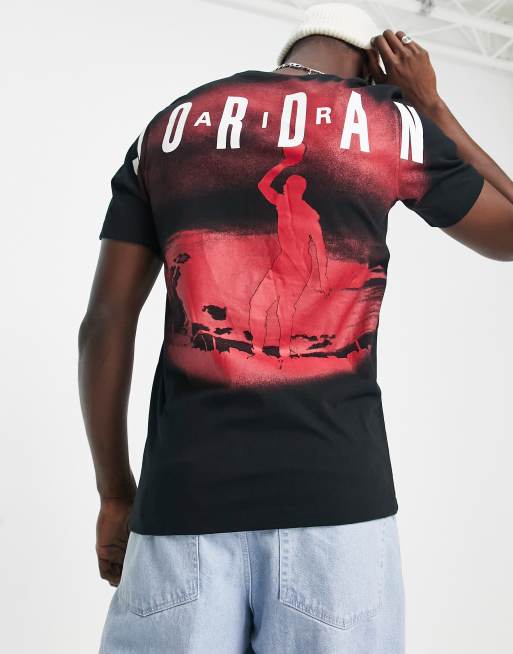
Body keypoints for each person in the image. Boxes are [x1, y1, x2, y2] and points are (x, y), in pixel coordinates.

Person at [77, 2, 513, 653]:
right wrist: (431, 109)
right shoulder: (386, 121)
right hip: (336, 509)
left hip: (181, 505)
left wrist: (116, 495)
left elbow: (104, 323)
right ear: (372, 66)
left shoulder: (166, 130)